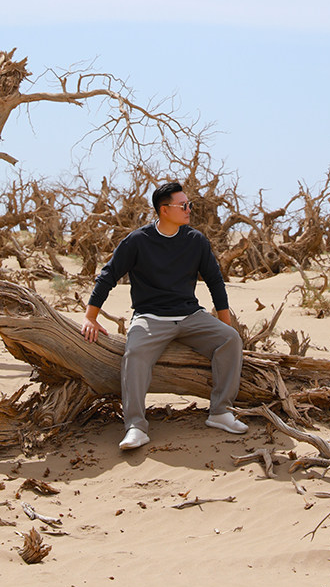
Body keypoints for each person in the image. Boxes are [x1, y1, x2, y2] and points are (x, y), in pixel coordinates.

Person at [81, 181, 248, 451]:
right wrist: (90, 316)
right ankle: (135, 426)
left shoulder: (196, 241)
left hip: (191, 316)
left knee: (230, 339)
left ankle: (220, 412)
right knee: (134, 355)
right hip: (150, 317)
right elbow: (108, 275)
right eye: (183, 205)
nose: (189, 209)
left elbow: (216, 281)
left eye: (189, 204)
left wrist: (224, 325)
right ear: (163, 210)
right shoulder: (137, 241)